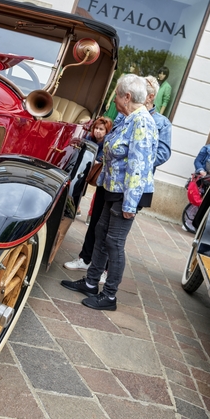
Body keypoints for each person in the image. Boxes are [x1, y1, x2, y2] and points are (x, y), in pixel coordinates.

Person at [61, 74, 158, 311]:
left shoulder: (141, 121)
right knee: (102, 233)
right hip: (113, 189)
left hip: (127, 194)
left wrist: (130, 205)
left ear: (127, 97)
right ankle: (91, 283)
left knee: (115, 243)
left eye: (116, 95)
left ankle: (110, 296)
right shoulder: (128, 118)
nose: (114, 100)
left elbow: (139, 164)